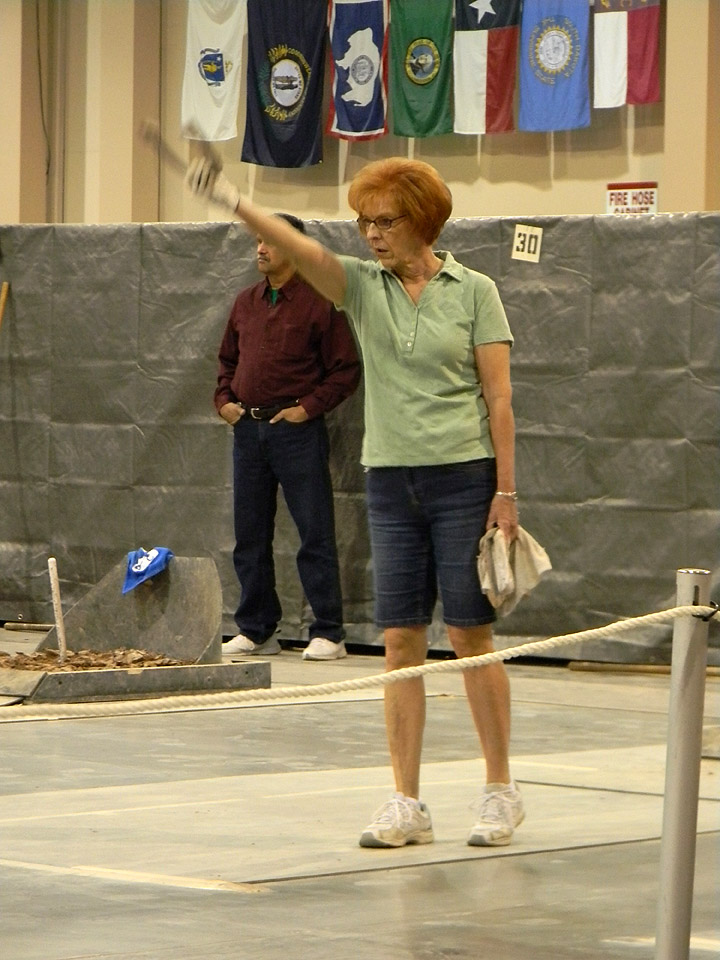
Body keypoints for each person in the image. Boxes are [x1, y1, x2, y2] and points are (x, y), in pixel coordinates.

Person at [187, 157, 523, 848]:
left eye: (386, 221)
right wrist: (232, 199)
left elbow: (499, 399)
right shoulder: (361, 288)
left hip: (465, 478)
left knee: (469, 637)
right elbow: (308, 251)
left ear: (423, 221)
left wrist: (506, 493)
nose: (371, 234)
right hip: (390, 480)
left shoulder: (475, 291)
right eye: (364, 222)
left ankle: (499, 790)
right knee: (400, 641)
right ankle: (407, 802)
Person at [215, 212, 361, 662]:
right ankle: (257, 629)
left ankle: (328, 632)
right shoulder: (245, 302)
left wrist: (307, 409)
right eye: (258, 241)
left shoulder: (321, 302)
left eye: (270, 242)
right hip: (248, 432)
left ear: (294, 248)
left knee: (314, 531)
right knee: (250, 535)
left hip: (296, 434)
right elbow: (227, 361)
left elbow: (346, 370)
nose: (260, 248)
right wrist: (224, 402)